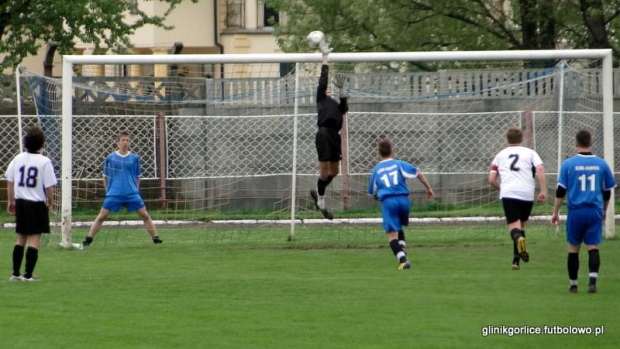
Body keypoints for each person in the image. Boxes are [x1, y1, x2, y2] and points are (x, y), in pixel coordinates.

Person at [551, 130, 616, 293]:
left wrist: (555, 212)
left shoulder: (568, 164)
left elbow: (560, 191)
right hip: (594, 210)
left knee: (573, 248)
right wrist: (604, 210)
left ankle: (573, 285)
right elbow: (607, 191)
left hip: (576, 211)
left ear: (576, 143)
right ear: (591, 142)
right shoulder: (601, 164)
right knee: (593, 246)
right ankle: (592, 283)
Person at [83, 130, 162, 246]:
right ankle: (88, 240)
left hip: (131, 192)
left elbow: (137, 176)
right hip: (114, 193)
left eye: (127, 140)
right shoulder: (111, 158)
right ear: (118, 142)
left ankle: (156, 238)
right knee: (102, 216)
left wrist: (136, 190)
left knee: (145, 215)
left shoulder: (134, 158)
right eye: (123, 140)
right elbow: (105, 176)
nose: (125, 142)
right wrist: (108, 191)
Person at [368, 139, 434, 270]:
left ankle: (403, 261)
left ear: (378, 153)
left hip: (389, 202)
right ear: (393, 151)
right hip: (404, 201)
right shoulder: (399, 164)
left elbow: (372, 192)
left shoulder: (376, 170)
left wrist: (380, 195)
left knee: (391, 235)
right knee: (398, 227)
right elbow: (418, 173)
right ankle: (402, 249)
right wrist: (429, 188)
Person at [489, 127, 547, 270]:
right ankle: (516, 260)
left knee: (514, 229)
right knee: (521, 225)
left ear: (507, 139)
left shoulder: (500, 155)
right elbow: (539, 169)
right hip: (527, 193)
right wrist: (543, 190)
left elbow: (491, 179)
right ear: (521, 139)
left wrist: (501, 188)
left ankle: (518, 240)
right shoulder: (530, 153)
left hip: (509, 193)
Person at [6, 125, 58, 281]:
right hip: (36, 203)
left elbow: (10, 180)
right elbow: (48, 186)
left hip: (21, 202)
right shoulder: (44, 161)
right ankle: (28, 275)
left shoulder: (18, 158)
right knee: (35, 238)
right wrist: (51, 201)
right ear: (42, 144)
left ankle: (15, 273)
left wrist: (11, 200)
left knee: (20, 237)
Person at [309, 43, 348, 220]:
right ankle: (321, 200)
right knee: (325, 172)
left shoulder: (335, 104)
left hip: (335, 136)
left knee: (335, 172)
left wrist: (342, 91)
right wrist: (325, 59)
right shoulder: (321, 98)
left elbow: (344, 109)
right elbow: (323, 81)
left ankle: (319, 194)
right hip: (324, 134)